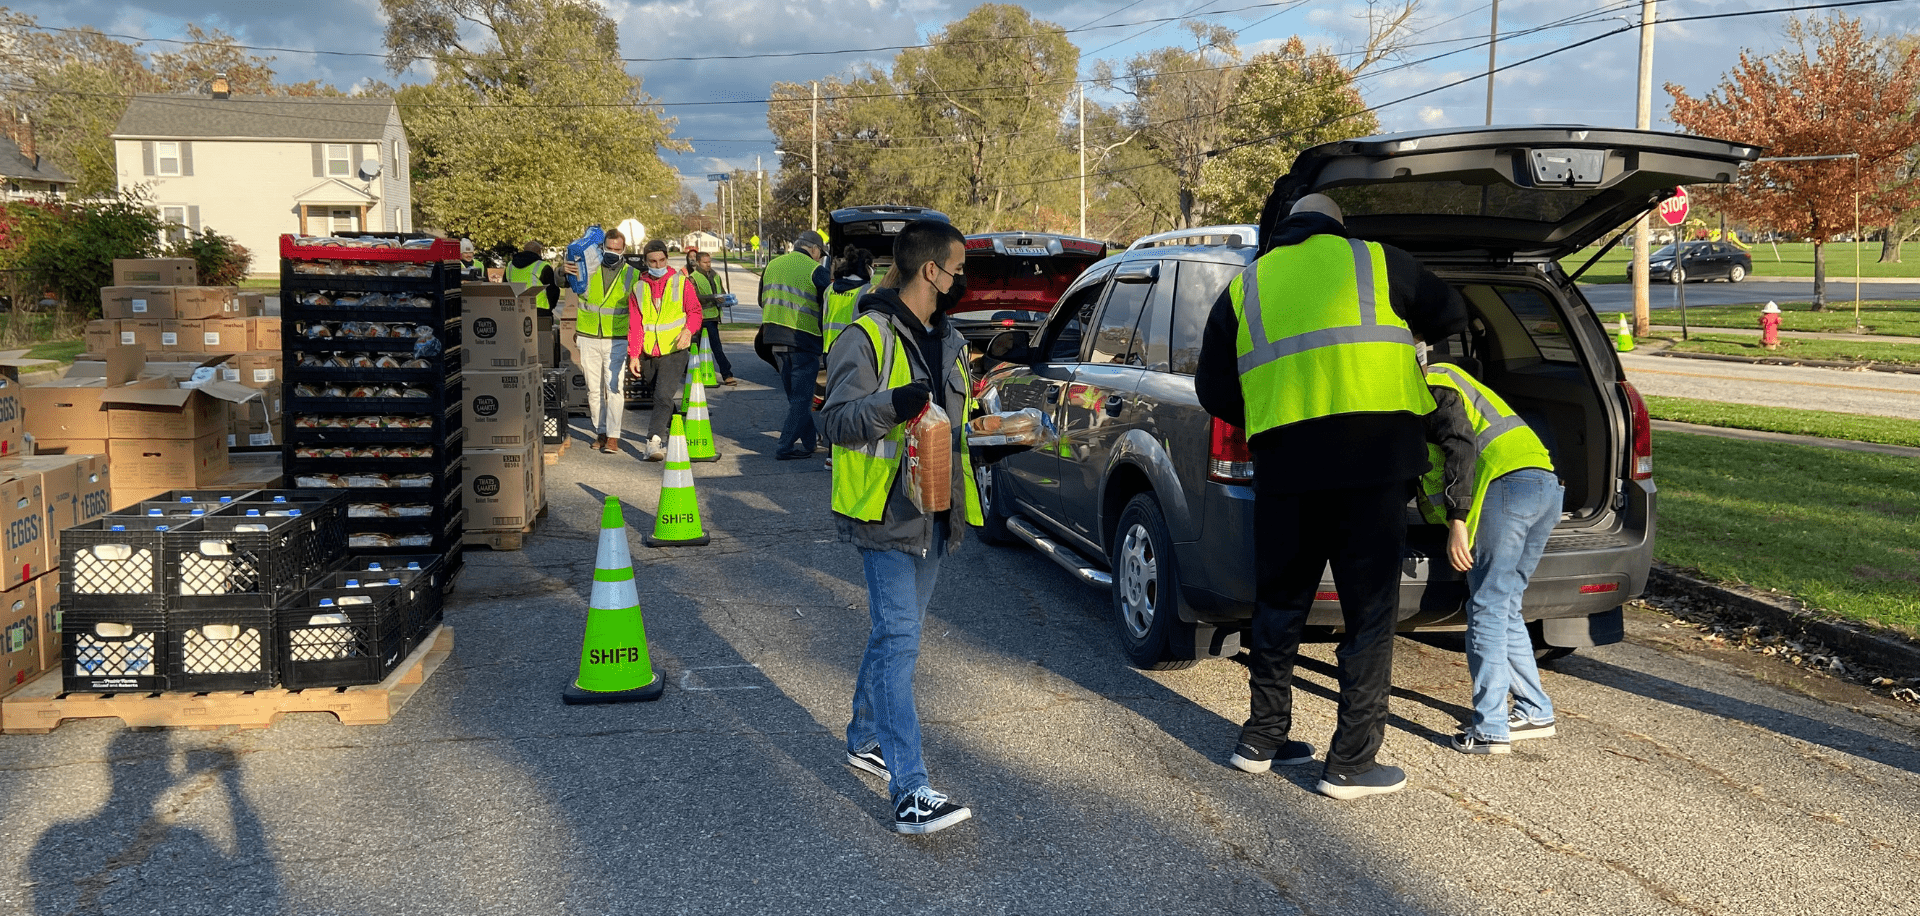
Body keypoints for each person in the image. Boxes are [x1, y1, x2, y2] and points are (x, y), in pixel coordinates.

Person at [1194, 193, 1465, 800]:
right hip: (1374, 469)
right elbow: (1454, 312)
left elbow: (1212, 388)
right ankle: (1350, 763)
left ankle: (1261, 740)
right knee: (1368, 616)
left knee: (1280, 605)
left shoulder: (1247, 286)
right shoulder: (1378, 262)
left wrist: (1273, 418)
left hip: (1287, 471)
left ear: (1287, 227)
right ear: (1338, 228)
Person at [820, 219, 983, 835]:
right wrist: (896, 403)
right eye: (958, 267)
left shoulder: (950, 338)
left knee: (896, 634)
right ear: (930, 271)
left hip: (936, 515)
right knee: (899, 641)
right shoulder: (864, 337)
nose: (963, 278)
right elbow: (834, 423)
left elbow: (953, 425)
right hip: (884, 516)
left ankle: (864, 735)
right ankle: (910, 789)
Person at [1416, 357, 1561, 755]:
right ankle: (1534, 710)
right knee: (1506, 604)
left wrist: (1458, 520)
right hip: (1544, 483)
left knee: (1486, 609)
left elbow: (1460, 447)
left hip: (1505, 486)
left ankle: (1490, 728)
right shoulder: (1451, 377)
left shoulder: (1430, 383)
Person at [625, 239, 703, 461]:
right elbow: (636, 324)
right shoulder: (638, 288)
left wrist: (688, 331)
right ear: (645, 262)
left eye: (661, 260)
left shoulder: (681, 282)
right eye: (652, 261)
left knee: (662, 396)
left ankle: (653, 442)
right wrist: (634, 354)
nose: (657, 265)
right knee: (663, 399)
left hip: (675, 349)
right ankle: (681, 430)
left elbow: (695, 312)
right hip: (649, 353)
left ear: (667, 259)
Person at [759, 230, 831, 460]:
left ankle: (810, 443)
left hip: (773, 339)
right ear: (814, 249)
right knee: (802, 399)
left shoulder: (772, 265)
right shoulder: (816, 270)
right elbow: (828, 305)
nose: (820, 258)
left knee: (797, 397)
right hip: (803, 340)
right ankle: (785, 446)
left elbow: (762, 300)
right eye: (821, 254)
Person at [563, 228, 635, 453]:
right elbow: (564, 281)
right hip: (588, 335)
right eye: (609, 248)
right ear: (602, 247)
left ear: (624, 250)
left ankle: (613, 436)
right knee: (594, 390)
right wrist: (561, 271)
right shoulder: (589, 267)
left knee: (614, 388)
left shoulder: (632, 273)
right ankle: (601, 432)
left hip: (617, 338)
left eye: (617, 249)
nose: (612, 252)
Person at [689, 249, 737, 385]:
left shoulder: (715, 275)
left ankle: (726, 374)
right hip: (701, 317)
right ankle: (724, 374)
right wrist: (713, 298)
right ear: (698, 263)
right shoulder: (693, 278)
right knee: (701, 347)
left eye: (709, 262)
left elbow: (722, 291)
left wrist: (726, 298)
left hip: (714, 316)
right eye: (705, 262)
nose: (708, 264)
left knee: (713, 346)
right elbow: (694, 297)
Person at [822, 245, 877, 354]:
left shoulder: (829, 290)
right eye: (873, 266)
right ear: (866, 267)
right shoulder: (869, 291)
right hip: (854, 351)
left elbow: (821, 320)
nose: (874, 270)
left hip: (830, 350)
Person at [505, 240, 559, 312]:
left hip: (516, 309)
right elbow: (552, 291)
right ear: (539, 252)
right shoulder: (543, 266)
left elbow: (505, 288)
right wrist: (550, 308)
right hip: (539, 310)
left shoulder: (510, 266)